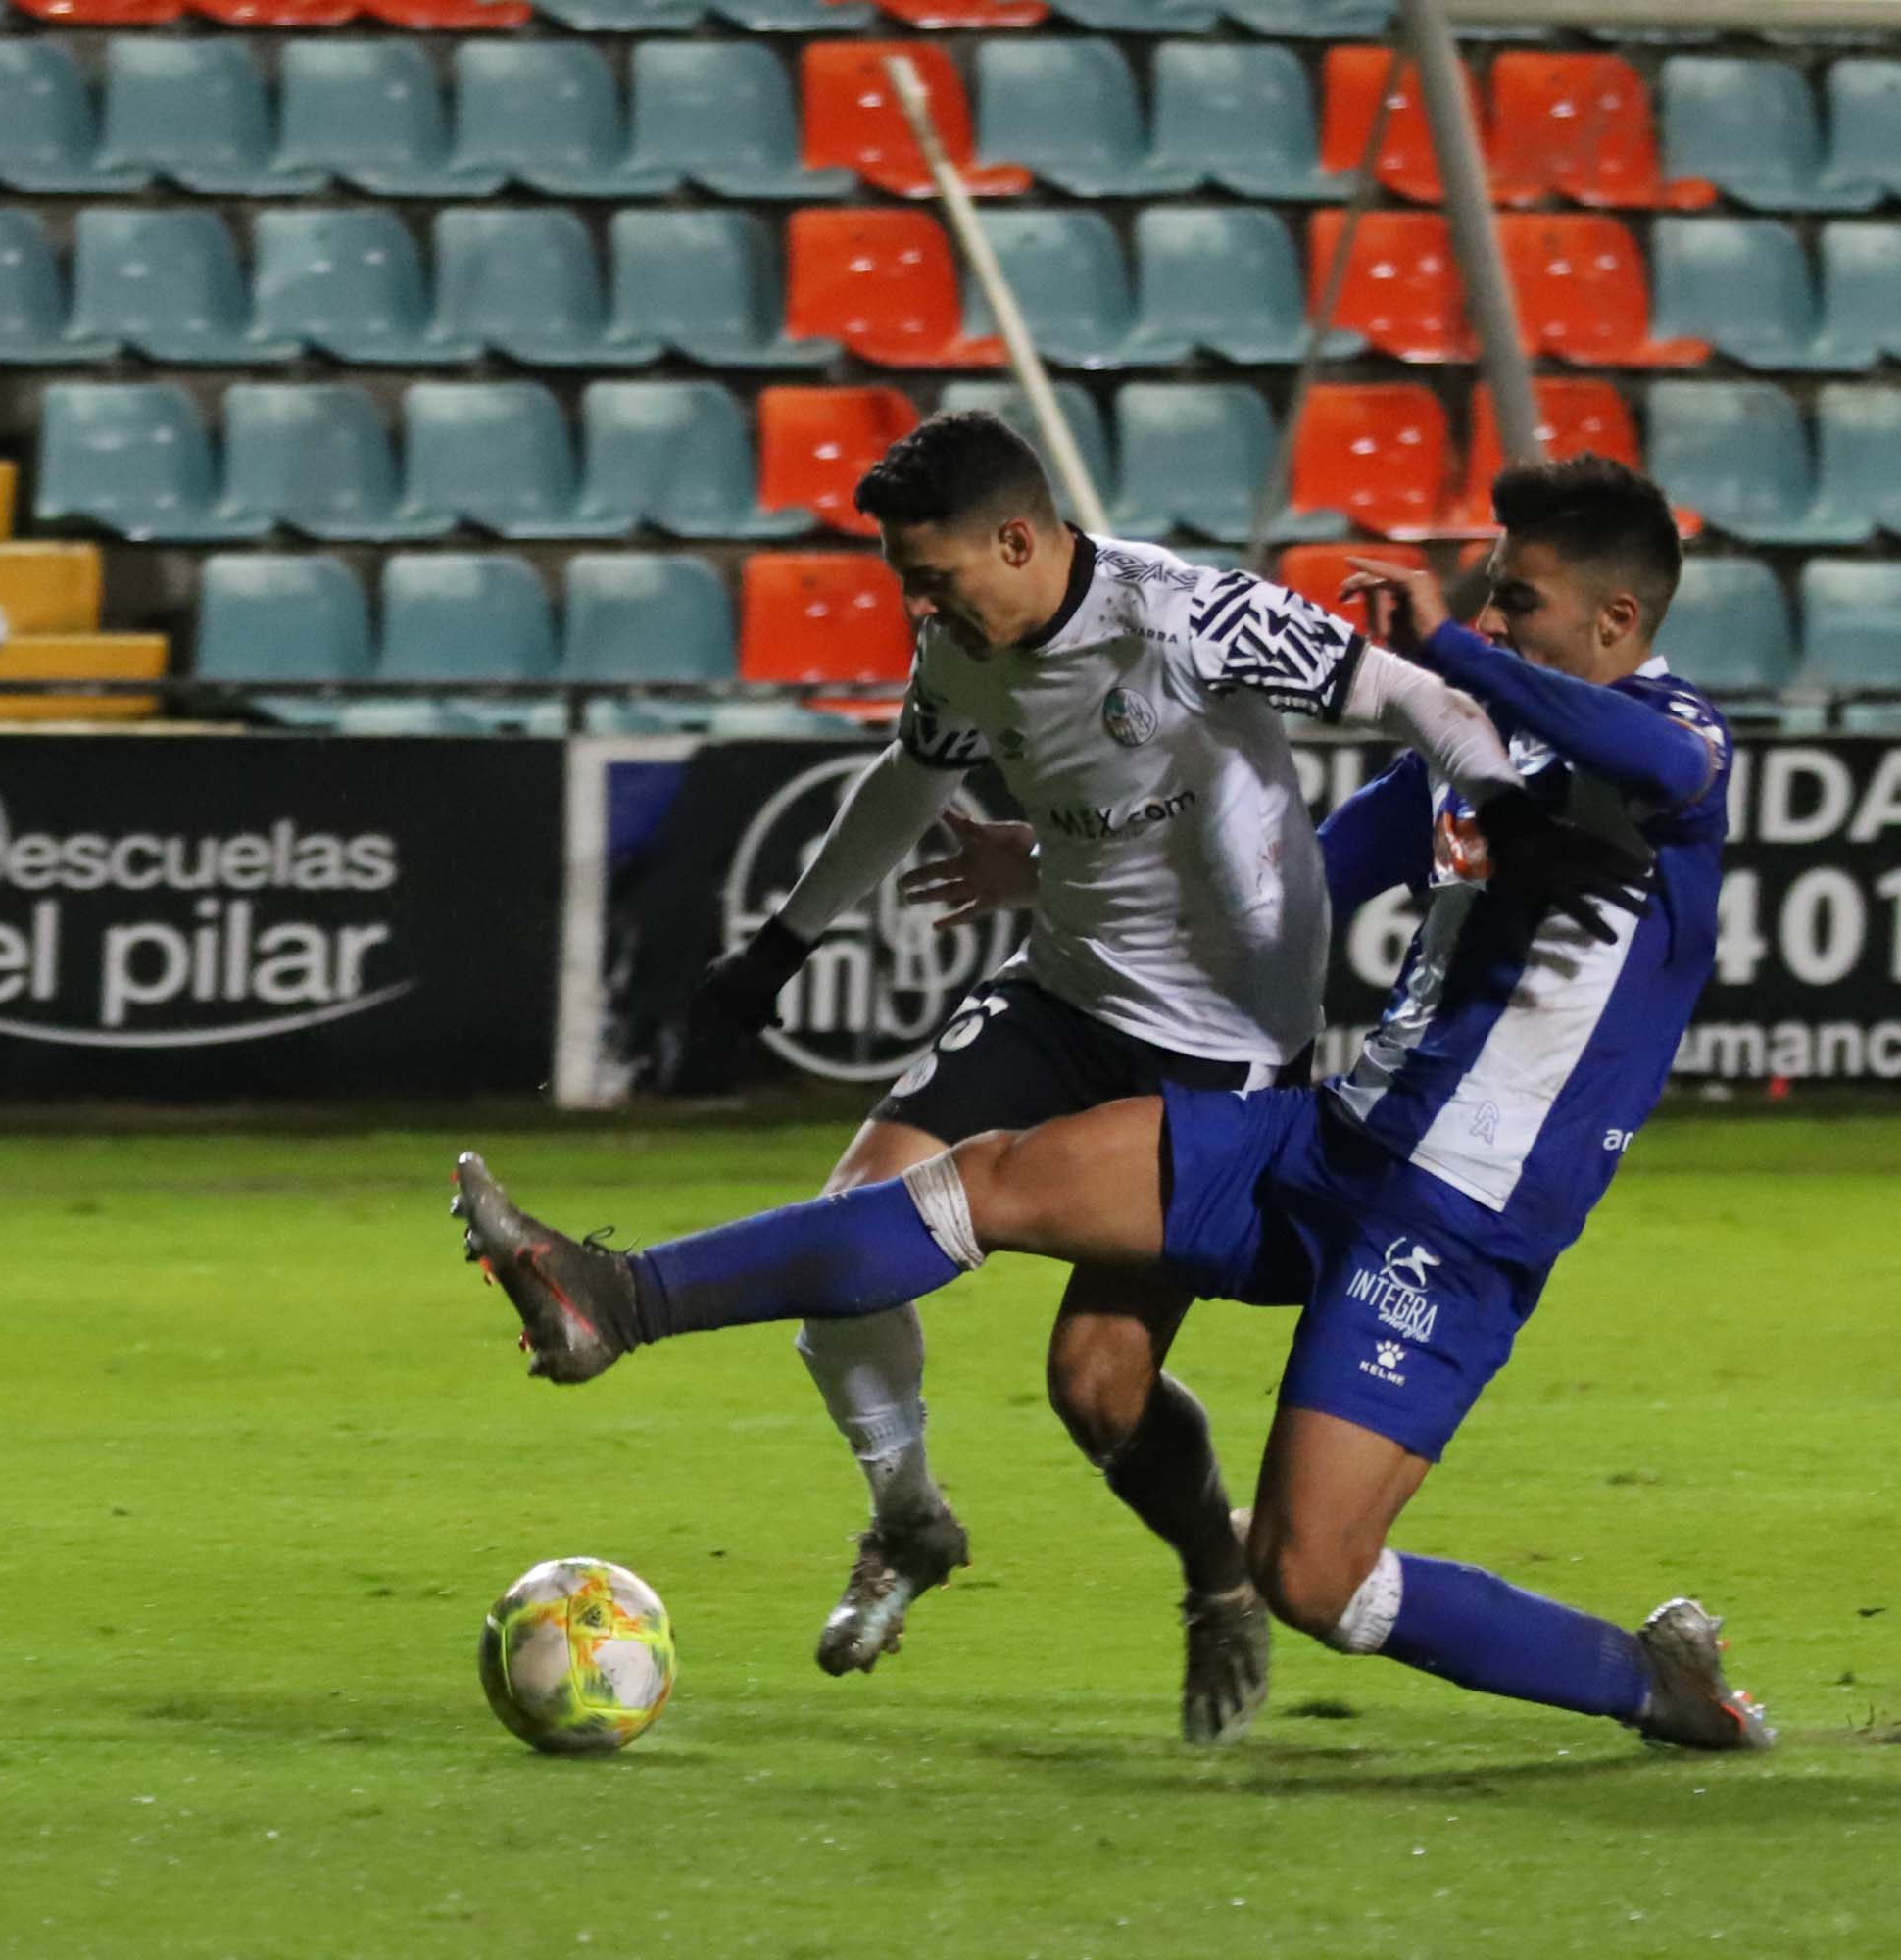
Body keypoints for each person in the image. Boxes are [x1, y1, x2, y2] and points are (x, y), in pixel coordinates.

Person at [452, 457, 1772, 1752]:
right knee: (991, 1179)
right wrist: (1038, 858)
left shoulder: (1674, 748)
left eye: (1518, 601)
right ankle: (615, 1302)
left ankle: (1648, 1681)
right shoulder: (1471, 755)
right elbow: (1304, 863)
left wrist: (1439, 645)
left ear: (1616, 621)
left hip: (1461, 1217)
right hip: (1331, 1139)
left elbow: (1657, 762)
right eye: (1486, 595)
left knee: (1318, 1578)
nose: (1490, 621)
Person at [675, 411, 1626, 1741]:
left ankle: (1215, 1575)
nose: (916, 601)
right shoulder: (958, 635)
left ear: (1018, 539)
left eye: (933, 573)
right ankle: (909, 1516)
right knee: (845, 1247)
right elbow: (908, 776)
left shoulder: (1187, 615)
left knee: (1096, 1384)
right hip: (1064, 994)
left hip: (1219, 1047)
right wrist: (782, 944)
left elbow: (1410, 691)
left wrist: (1508, 811)